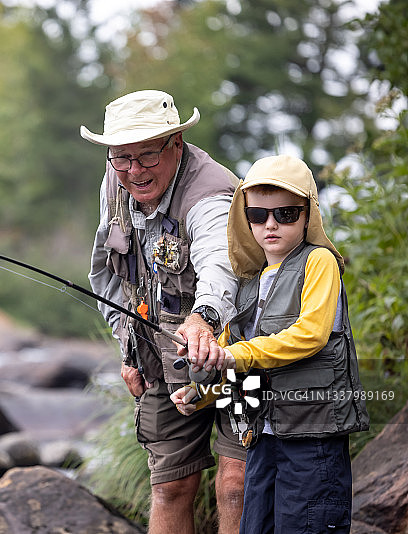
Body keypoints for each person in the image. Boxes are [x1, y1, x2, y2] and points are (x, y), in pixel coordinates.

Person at [171, 154, 370, 533]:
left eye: (286, 214)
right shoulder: (248, 282)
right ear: (244, 219)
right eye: (258, 215)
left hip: (314, 439)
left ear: (307, 213)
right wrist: (204, 392)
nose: (271, 225)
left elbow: (310, 335)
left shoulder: (320, 262)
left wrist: (232, 354)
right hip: (263, 437)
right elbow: (241, 367)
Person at [81, 90, 246, 534]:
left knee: (236, 483)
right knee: (170, 485)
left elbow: (219, 262)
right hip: (161, 357)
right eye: (122, 158)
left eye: (148, 155)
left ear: (176, 143)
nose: (134, 170)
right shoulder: (114, 181)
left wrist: (203, 318)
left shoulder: (209, 193)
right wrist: (127, 347)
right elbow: (106, 273)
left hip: (239, 350)